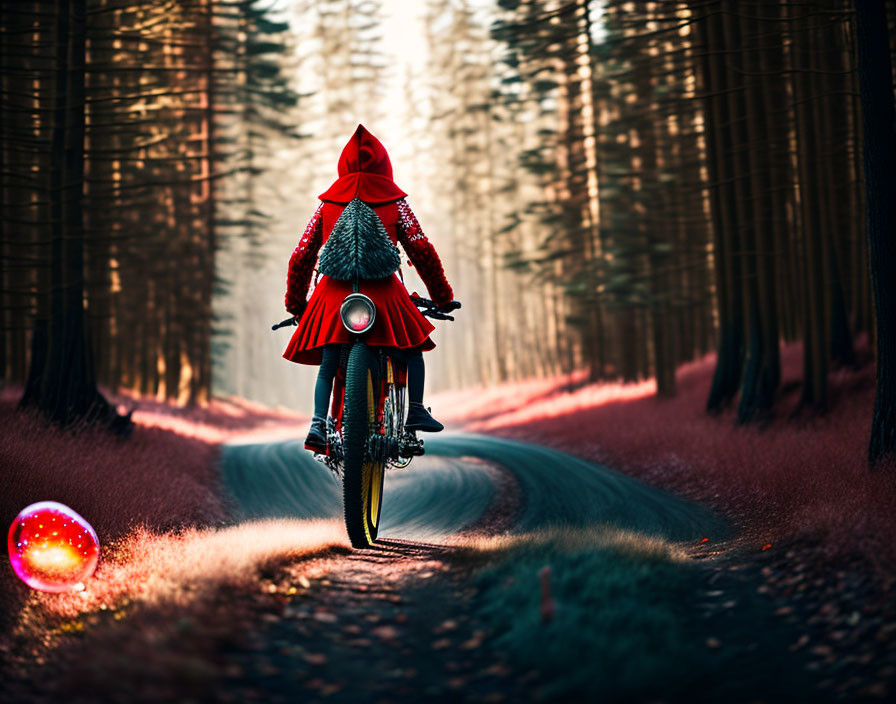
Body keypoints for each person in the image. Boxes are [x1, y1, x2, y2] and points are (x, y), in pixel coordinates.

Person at [282, 124, 454, 452]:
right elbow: (421, 250)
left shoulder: (327, 204)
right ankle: (415, 412)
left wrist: (296, 304)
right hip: (384, 292)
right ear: (384, 164)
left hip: (333, 295)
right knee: (412, 347)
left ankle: (319, 423)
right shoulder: (396, 202)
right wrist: (442, 296)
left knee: (330, 362)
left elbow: (302, 254)